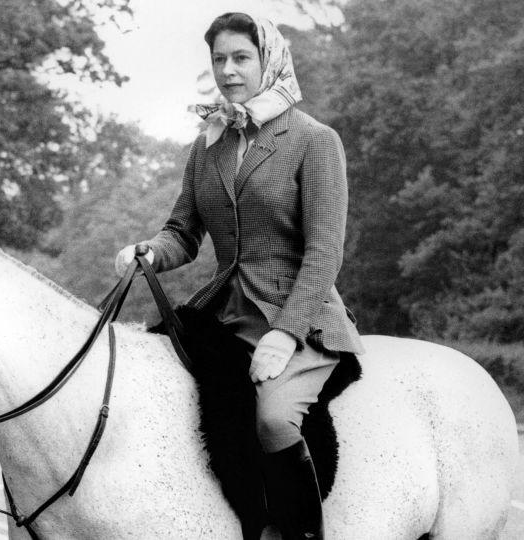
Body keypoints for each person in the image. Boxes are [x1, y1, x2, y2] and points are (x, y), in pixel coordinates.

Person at [115, 12, 363, 539]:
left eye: (241, 57)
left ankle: (297, 533)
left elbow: (324, 252)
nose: (228, 70)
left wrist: (286, 331)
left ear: (268, 60)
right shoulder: (208, 144)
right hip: (224, 313)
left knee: (273, 419)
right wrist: (150, 253)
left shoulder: (314, 141)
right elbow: (182, 231)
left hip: (301, 317)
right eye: (219, 59)